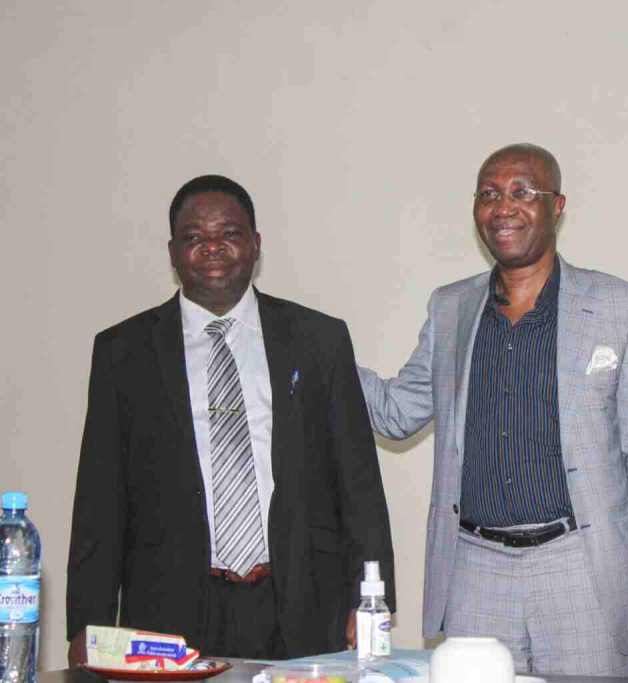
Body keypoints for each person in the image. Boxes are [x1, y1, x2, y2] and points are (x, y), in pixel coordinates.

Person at [358, 143, 628, 676]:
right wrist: (322, 353)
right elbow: (396, 412)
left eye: (523, 193)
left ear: (557, 206)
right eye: (489, 194)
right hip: (475, 569)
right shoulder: (450, 307)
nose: (504, 208)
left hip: (580, 567)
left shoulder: (621, 307)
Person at [66, 175, 395, 663]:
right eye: (195, 237)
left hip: (302, 600)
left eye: (230, 234)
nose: (213, 248)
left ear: (256, 245)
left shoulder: (318, 339)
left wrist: (370, 600)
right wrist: (86, 627)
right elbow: (100, 501)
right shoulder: (123, 352)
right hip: (170, 607)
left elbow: (359, 483)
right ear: (173, 252)